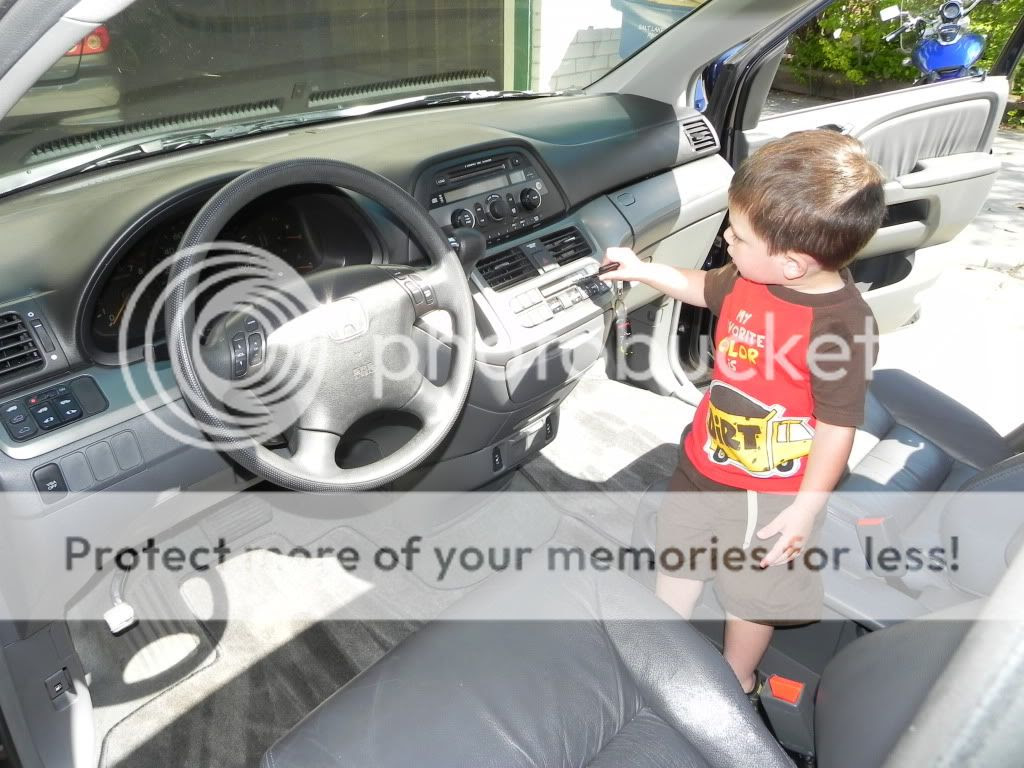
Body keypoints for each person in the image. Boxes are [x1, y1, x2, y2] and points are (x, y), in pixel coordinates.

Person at [598, 129, 885, 701]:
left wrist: (806, 508)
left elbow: (837, 427)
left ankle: (737, 678)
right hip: (705, 460)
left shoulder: (841, 327)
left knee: (755, 592)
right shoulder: (750, 274)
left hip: (773, 493)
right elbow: (702, 287)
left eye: (740, 235)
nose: (727, 238)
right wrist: (643, 270)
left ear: (794, 264)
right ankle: (664, 643)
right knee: (681, 552)